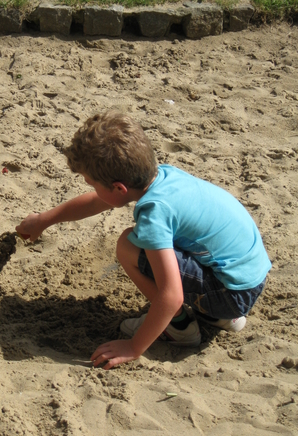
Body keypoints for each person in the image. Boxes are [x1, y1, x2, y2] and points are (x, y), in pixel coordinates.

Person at [16, 111, 271, 370]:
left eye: (91, 183)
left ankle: (180, 327)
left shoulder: (155, 213)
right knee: (172, 244)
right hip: (248, 279)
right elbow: (97, 202)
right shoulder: (166, 176)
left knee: (128, 245)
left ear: (119, 188)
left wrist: (134, 347)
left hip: (230, 294)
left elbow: (171, 295)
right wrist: (44, 220)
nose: (92, 190)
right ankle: (219, 318)